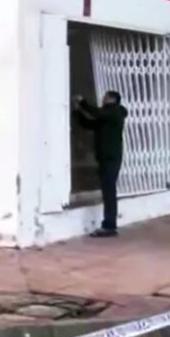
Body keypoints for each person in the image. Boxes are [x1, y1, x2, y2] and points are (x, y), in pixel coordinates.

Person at [74, 91, 128, 237]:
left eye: (105, 97)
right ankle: (109, 224)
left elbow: (97, 114)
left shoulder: (115, 112)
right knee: (107, 191)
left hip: (111, 158)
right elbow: (90, 124)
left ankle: (109, 226)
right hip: (105, 157)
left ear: (112, 99)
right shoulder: (107, 116)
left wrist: (83, 102)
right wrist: (78, 113)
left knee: (109, 191)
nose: (103, 99)